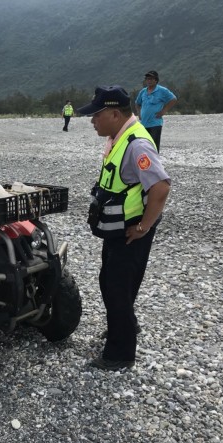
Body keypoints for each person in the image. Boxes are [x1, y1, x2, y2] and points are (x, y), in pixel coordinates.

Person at [76, 85, 171, 371]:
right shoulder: (119, 137)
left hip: (132, 229)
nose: (92, 120)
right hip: (119, 226)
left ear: (115, 114)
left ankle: (120, 353)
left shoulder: (137, 144)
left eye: (96, 115)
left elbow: (161, 187)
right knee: (114, 280)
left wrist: (143, 227)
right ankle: (126, 324)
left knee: (117, 285)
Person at [135, 70, 177, 152]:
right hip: (143, 124)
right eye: (147, 79)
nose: (149, 81)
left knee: (153, 146)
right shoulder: (143, 91)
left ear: (156, 80)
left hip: (155, 124)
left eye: (151, 79)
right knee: (144, 146)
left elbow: (173, 99)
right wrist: (139, 113)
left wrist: (164, 111)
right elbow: (137, 103)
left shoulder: (162, 90)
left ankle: (154, 163)